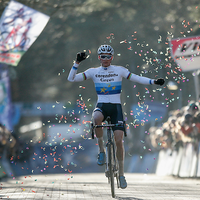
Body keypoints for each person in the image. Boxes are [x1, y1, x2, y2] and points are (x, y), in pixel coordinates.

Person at [67, 44, 165, 189]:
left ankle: (121, 174)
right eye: (102, 56)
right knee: (96, 119)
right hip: (101, 106)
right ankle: (101, 151)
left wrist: (153, 81)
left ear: (112, 57)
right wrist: (77, 63)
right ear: (99, 57)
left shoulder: (119, 70)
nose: (105, 59)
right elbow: (71, 79)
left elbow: (136, 78)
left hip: (116, 108)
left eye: (108, 56)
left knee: (119, 141)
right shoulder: (93, 71)